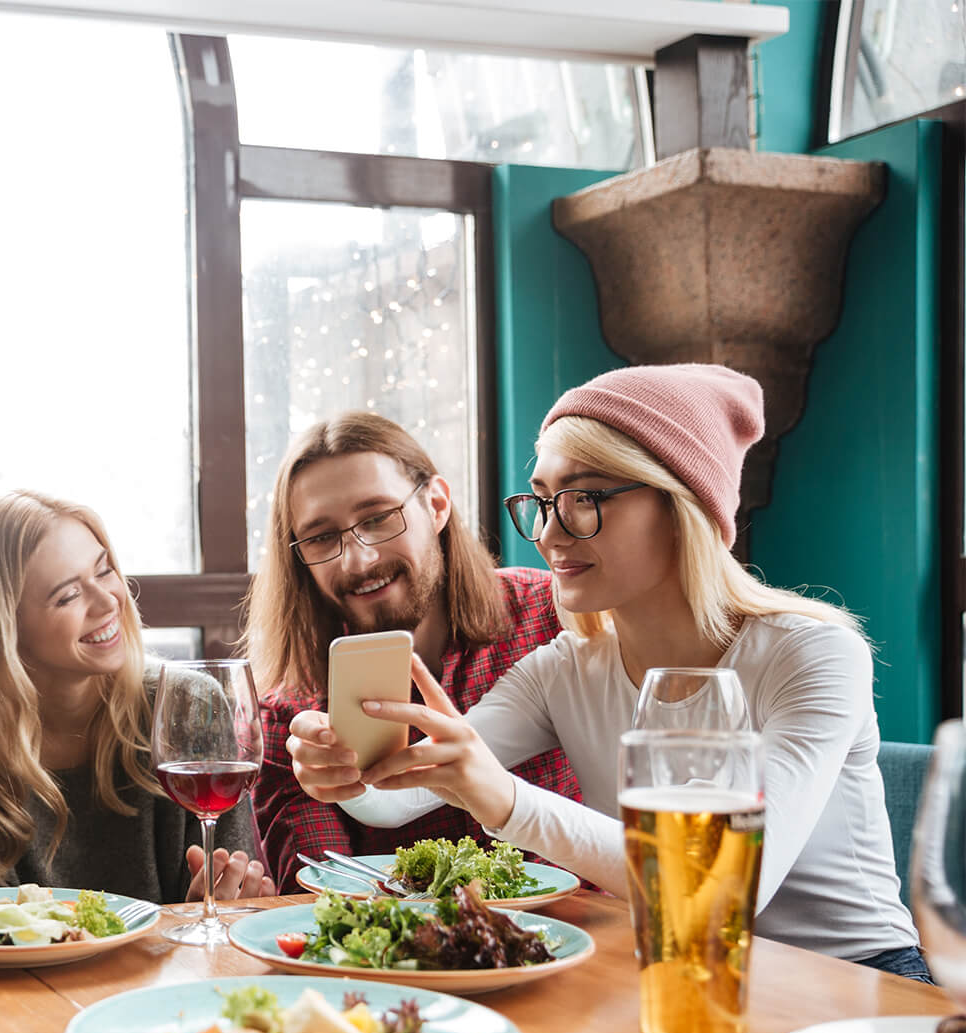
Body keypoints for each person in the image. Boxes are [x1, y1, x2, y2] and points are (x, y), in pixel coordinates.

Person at [288, 364, 927, 978]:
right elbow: (397, 799)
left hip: (856, 983)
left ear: (681, 505)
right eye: (540, 501)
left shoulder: (811, 653)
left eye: (584, 498)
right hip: (674, 976)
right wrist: (339, 767)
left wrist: (505, 800)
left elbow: (728, 887)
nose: (547, 533)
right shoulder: (562, 672)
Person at [246, 412, 578, 891]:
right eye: (322, 537)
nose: (358, 560)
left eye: (379, 518)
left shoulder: (554, 619)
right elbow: (323, 900)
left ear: (437, 505)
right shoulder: (290, 716)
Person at [0, 491, 268, 901]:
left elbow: (232, 897)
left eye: (104, 571)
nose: (109, 600)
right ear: (2, 628)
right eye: (68, 595)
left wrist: (214, 907)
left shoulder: (189, 703)